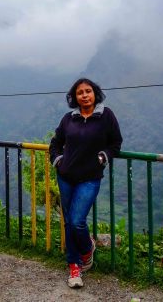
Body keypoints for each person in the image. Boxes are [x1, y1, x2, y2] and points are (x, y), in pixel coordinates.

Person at [49, 78, 123, 288]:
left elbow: (116, 143)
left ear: (94, 93)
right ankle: (74, 266)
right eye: (80, 92)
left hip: (90, 178)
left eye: (88, 91)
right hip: (66, 177)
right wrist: (58, 160)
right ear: (75, 97)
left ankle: (87, 248)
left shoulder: (106, 116)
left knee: (76, 221)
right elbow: (55, 143)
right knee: (68, 222)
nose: (84, 95)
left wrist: (102, 157)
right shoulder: (68, 119)